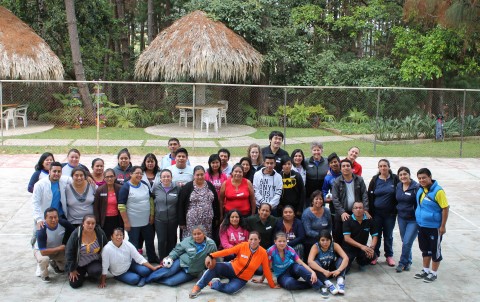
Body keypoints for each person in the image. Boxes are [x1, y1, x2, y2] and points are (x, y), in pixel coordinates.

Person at [189, 231, 278, 299]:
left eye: (255, 239)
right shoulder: (243, 246)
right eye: (251, 239)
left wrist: (272, 285)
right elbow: (227, 251)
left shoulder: (263, 253)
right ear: (248, 239)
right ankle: (197, 287)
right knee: (215, 266)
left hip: (242, 278)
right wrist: (211, 255)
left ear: (259, 240)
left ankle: (214, 284)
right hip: (231, 268)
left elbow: (266, 269)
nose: (253, 241)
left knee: (230, 290)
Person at [253, 232, 323, 295]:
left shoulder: (290, 249)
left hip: (292, 269)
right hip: (281, 275)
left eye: (284, 241)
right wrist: (262, 279)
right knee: (289, 284)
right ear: (275, 241)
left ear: (287, 241)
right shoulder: (271, 251)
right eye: (279, 241)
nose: (282, 243)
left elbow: (301, 262)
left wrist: (312, 272)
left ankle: (320, 286)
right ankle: (310, 285)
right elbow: (268, 267)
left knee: (299, 267)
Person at [146, 225, 217, 285]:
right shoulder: (187, 241)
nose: (197, 236)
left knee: (171, 282)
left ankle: (155, 280)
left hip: (192, 272)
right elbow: (177, 250)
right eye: (194, 234)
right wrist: (170, 257)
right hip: (181, 262)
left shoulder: (211, 245)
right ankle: (147, 279)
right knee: (167, 272)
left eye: (199, 234)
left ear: (204, 234)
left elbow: (215, 258)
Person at [414, 168, 449, 283]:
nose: (421, 180)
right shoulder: (420, 189)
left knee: (435, 250)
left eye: (424, 177)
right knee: (425, 249)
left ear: (430, 177)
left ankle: (434, 273)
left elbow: (445, 208)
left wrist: (442, 226)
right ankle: (425, 270)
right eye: (419, 178)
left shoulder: (438, 191)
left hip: (434, 227)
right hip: (421, 225)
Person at [118, 166, 158, 263]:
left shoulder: (144, 184)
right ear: (131, 174)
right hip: (133, 222)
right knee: (134, 243)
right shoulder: (126, 187)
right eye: (137, 173)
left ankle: (152, 257)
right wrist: (126, 222)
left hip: (146, 221)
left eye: (141, 173)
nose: (139, 175)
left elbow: (150, 200)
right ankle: (134, 261)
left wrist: (152, 215)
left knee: (149, 241)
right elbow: (121, 206)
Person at [367, 159, 399, 266]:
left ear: (389, 167)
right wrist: (369, 211)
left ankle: (389, 256)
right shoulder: (375, 180)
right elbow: (369, 195)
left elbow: (406, 184)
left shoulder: (395, 179)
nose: (383, 168)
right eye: (380, 166)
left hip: (390, 214)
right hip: (376, 213)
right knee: (376, 235)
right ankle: (375, 255)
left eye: (385, 166)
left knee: (388, 235)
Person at [332, 159, 369, 245]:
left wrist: (365, 209)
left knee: (356, 234)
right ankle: (339, 254)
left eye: (348, 166)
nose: (346, 168)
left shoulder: (359, 180)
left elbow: (364, 195)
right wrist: (342, 212)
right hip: (342, 212)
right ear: (340, 169)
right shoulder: (337, 182)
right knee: (338, 234)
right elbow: (335, 199)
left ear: (352, 168)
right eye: (343, 166)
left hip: (357, 212)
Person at [66, 215, 108, 289]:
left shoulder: (100, 233)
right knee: (75, 284)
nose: (90, 225)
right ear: (83, 223)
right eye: (88, 223)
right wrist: (72, 269)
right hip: (79, 263)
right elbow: (69, 252)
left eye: (93, 223)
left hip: (93, 261)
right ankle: (82, 274)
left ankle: (91, 275)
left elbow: (106, 247)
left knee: (96, 272)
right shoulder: (76, 234)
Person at [178, 166, 220, 240]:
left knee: (206, 238)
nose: (200, 177)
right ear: (194, 175)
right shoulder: (187, 187)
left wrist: (217, 217)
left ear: (205, 175)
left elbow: (215, 202)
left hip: (207, 221)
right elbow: (181, 204)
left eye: (202, 174)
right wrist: (181, 221)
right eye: (197, 175)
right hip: (191, 221)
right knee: (192, 238)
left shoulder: (209, 185)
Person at [33, 207, 74, 282]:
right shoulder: (41, 230)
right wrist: (61, 248)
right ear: (45, 218)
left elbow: (75, 233)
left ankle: (54, 264)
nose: (54, 220)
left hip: (57, 248)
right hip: (42, 251)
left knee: (65, 267)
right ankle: (44, 275)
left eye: (55, 217)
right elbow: (43, 252)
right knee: (44, 259)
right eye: (50, 218)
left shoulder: (63, 223)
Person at [308, 230, 349, 296]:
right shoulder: (315, 247)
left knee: (342, 260)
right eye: (322, 240)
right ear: (319, 240)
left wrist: (339, 270)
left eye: (327, 240)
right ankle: (328, 284)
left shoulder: (334, 245)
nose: (325, 242)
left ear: (331, 240)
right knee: (314, 263)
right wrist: (323, 271)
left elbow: (346, 258)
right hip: (322, 272)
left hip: (333, 271)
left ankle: (340, 282)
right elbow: (310, 262)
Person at [342, 201, 378, 272]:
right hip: (349, 248)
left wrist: (372, 248)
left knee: (372, 255)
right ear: (352, 210)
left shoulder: (369, 219)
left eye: (360, 208)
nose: (358, 210)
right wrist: (362, 246)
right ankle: (349, 260)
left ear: (364, 210)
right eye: (356, 208)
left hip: (362, 248)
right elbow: (347, 238)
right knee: (345, 270)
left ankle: (361, 262)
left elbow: (375, 236)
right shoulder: (347, 220)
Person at [152, 169, 180, 260]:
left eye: (168, 176)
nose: (166, 178)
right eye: (164, 177)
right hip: (159, 220)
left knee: (172, 240)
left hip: (173, 219)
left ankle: (171, 258)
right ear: (160, 179)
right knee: (161, 240)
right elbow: (151, 201)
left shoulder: (177, 187)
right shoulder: (156, 188)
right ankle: (162, 259)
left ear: (171, 178)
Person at [395, 166, 419, 273]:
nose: (403, 176)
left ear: (409, 175)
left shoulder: (416, 187)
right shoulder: (398, 186)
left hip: (413, 220)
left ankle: (402, 263)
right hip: (401, 218)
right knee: (405, 241)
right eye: (400, 175)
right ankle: (408, 261)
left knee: (407, 242)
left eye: (405, 174)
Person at [32, 162, 68, 227]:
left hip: (59, 216)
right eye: (54, 171)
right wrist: (38, 219)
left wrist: (88, 176)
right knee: (38, 235)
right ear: (49, 171)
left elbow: (77, 179)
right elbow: (35, 203)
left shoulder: (64, 180)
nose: (56, 174)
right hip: (44, 217)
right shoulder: (39, 185)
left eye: (59, 171)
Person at [94, 168, 123, 239]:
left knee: (117, 239)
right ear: (104, 178)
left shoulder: (120, 188)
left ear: (115, 177)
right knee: (105, 240)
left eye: (111, 176)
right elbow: (96, 208)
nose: (109, 179)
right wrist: (97, 222)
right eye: (107, 177)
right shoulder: (100, 190)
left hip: (117, 219)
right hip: (105, 220)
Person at [302, 190, 332, 257]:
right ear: (312, 201)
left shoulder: (327, 211)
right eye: (316, 199)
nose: (319, 201)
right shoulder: (307, 213)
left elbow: (330, 226)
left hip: (325, 239)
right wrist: (322, 236)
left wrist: (325, 237)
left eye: (320, 199)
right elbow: (308, 231)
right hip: (311, 241)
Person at [322, 152, 341, 221]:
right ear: (329, 165)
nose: (333, 164)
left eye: (335, 162)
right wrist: (325, 198)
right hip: (334, 205)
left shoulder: (345, 173)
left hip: (346, 205)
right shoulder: (328, 177)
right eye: (331, 163)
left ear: (339, 162)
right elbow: (324, 190)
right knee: (335, 227)